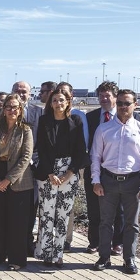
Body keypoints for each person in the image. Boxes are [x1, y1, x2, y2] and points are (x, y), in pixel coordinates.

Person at [91, 89, 140, 274]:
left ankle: (129, 259)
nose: (122, 107)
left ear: (135, 105)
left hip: (132, 182)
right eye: (119, 103)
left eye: (127, 103)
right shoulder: (104, 129)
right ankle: (104, 257)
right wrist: (96, 181)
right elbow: (95, 156)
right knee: (105, 222)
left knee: (131, 224)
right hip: (108, 181)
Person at [84, 81, 140, 255]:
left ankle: (117, 242)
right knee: (94, 207)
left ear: (115, 98)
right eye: (100, 96)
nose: (103, 99)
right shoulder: (91, 117)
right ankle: (95, 242)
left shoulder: (131, 118)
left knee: (120, 209)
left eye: (107, 95)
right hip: (95, 168)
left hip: (119, 171)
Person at [33, 87, 89, 268]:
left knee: (63, 215)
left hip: (69, 173)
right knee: (47, 214)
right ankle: (46, 253)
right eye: (55, 100)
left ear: (68, 102)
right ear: (50, 103)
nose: (58, 104)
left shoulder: (76, 121)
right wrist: (50, 173)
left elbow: (81, 150)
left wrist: (69, 173)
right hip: (47, 173)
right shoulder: (44, 121)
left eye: (61, 100)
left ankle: (58, 254)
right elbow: (40, 149)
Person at [0, 95, 34, 270]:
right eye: (8, 107)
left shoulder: (26, 130)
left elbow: (26, 158)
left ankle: (16, 259)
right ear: (3, 109)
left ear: (20, 110)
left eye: (15, 107)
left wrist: (8, 179)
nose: (12, 110)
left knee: (18, 223)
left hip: (19, 181)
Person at [57, 82, 89, 252]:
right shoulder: (50, 114)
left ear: (71, 95)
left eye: (65, 93)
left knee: (67, 207)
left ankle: (66, 239)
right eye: (59, 93)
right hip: (52, 171)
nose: (62, 96)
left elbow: (82, 147)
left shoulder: (78, 116)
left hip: (70, 170)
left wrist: (72, 170)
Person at [12, 81, 43, 256]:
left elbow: (43, 142)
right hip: (9, 170)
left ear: (30, 94)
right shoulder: (4, 112)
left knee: (31, 207)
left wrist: (32, 160)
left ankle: (27, 242)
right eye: (17, 91)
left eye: (24, 91)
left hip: (32, 168)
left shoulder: (39, 113)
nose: (21, 94)